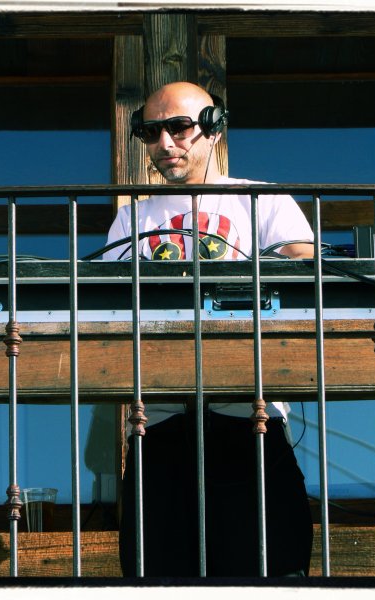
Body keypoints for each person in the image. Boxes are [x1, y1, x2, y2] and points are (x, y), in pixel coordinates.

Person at [104, 81, 314, 578]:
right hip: (159, 424)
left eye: (178, 128)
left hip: (249, 417)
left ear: (214, 128)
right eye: (150, 132)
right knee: (158, 574)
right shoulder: (130, 219)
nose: (164, 143)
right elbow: (107, 311)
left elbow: (306, 275)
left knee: (270, 570)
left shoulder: (263, 200)